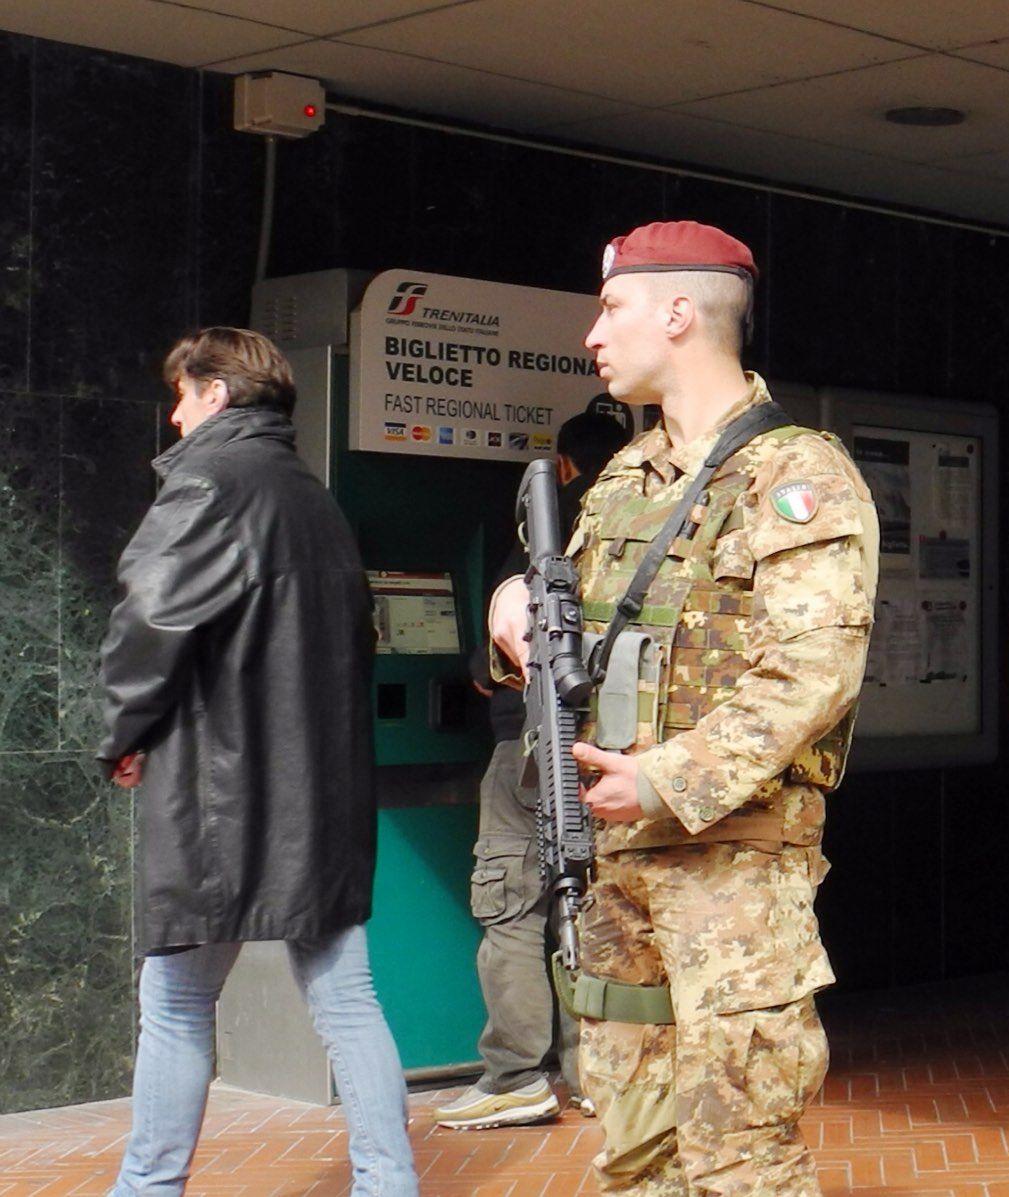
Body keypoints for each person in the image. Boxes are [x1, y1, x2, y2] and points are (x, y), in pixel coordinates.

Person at [487, 220, 878, 1195]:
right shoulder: (624, 480)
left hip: (731, 872)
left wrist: (665, 778)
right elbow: (575, 634)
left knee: (742, 1161)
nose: (593, 334)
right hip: (615, 866)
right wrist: (513, 610)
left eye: (611, 307)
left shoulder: (795, 475)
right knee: (635, 1155)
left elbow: (811, 672)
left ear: (678, 312)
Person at [98, 328, 418, 1196]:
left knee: (172, 1004)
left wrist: (122, 729)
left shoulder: (208, 480)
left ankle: (146, 1188)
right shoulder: (312, 496)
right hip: (320, 791)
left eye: (183, 393)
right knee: (349, 1004)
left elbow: (151, 620)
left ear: (219, 393)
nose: (173, 414)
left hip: (220, 797)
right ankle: (389, 1184)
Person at [437, 409, 629, 1130]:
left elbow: (489, 672)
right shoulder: (643, 527)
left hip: (530, 745)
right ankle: (593, 1073)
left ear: (566, 465)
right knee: (597, 900)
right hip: (619, 751)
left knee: (514, 902)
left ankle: (515, 1074)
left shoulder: (546, 532)